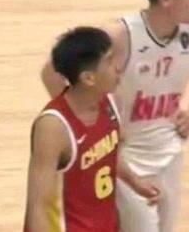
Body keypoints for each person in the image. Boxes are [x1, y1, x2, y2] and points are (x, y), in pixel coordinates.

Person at [42, 0, 189, 232]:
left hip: (170, 151)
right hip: (126, 156)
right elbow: (51, 73)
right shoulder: (121, 36)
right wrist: (90, 126)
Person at [25, 27, 158, 232]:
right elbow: (38, 205)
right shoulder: (53, 127)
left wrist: (134, 181)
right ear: (88, 78)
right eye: (109, 61)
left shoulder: (108, 102)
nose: (118, 67)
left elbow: (106, 154)